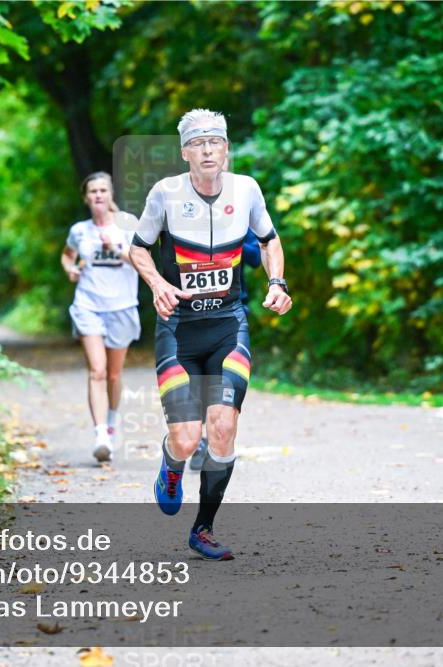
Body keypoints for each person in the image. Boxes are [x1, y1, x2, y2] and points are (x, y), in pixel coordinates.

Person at [129, 109, 292, 560]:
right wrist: (159, 284)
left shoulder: (247, 190)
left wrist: (276, 282)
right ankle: (172, 464)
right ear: (185, 152)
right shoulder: (165, 193)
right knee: (186, 438)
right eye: (198, 143)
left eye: (214, 142)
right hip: (178, 330)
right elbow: (138, 248)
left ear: (225, 149)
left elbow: (270, 239)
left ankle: (203, 529)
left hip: (228, 327)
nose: (207, 150)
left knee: (222, 431)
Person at [62, 172, 141, 463]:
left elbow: (144, 263)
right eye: (92, 191)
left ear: (111, 195)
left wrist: (118, 249)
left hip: (121, 306)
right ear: (86, 197)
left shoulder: (128, 225)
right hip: (88, 305)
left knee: (113, 374)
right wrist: (70, 269)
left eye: (103, 190)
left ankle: (111, 422)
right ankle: (100, 436)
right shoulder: (79, 231)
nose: (98, 195)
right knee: (96, 369)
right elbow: (67, 255)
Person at [190, 229, 262, 471]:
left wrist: (232, 240)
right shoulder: (191, 219)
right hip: (194, 310)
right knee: (198, 379)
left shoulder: (242, 222)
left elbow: (255, 259)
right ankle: (200, 439)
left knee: (223, 377)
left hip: (233, 309)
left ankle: (215, 440)